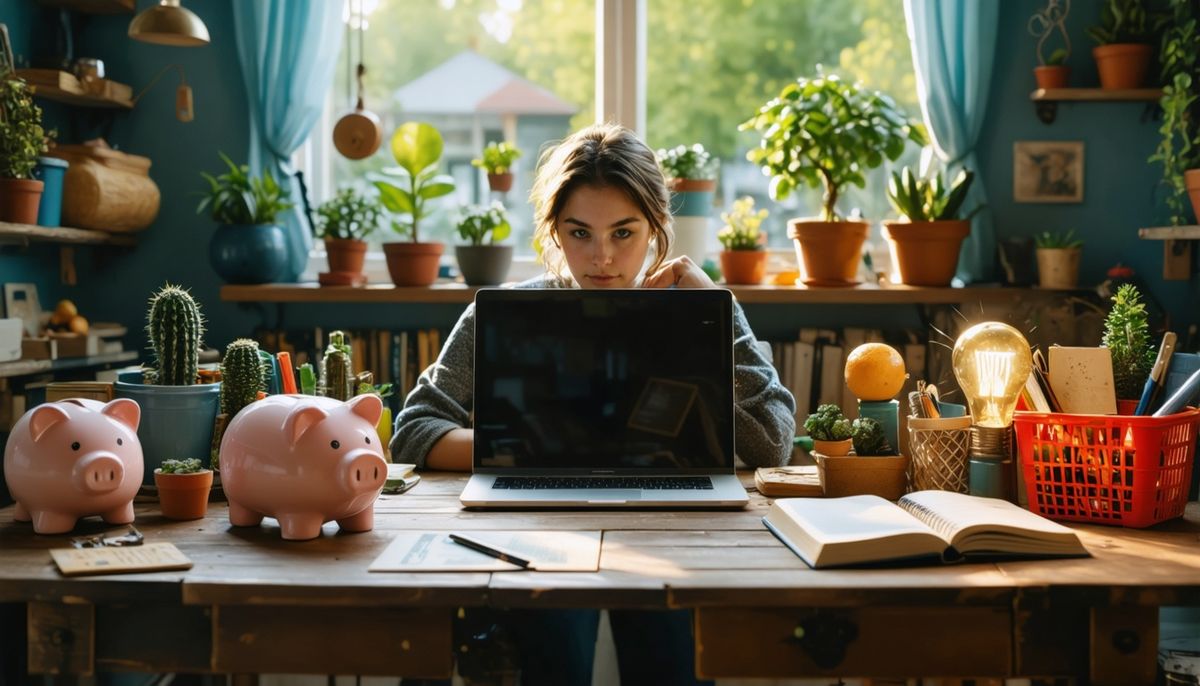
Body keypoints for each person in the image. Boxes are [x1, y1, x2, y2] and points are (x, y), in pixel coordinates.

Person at [392, 123, 795, 685]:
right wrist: (531, 453)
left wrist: (718, 309)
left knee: (670, 658)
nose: (602, 257)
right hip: (543, 526)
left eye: (624, 233)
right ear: (554, 231)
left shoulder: (696, 311)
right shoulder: (503, 313)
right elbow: (413, 429)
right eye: (579, 232)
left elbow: (770, 439)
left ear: (657, 227)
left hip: (674, 526)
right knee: (556, 645)